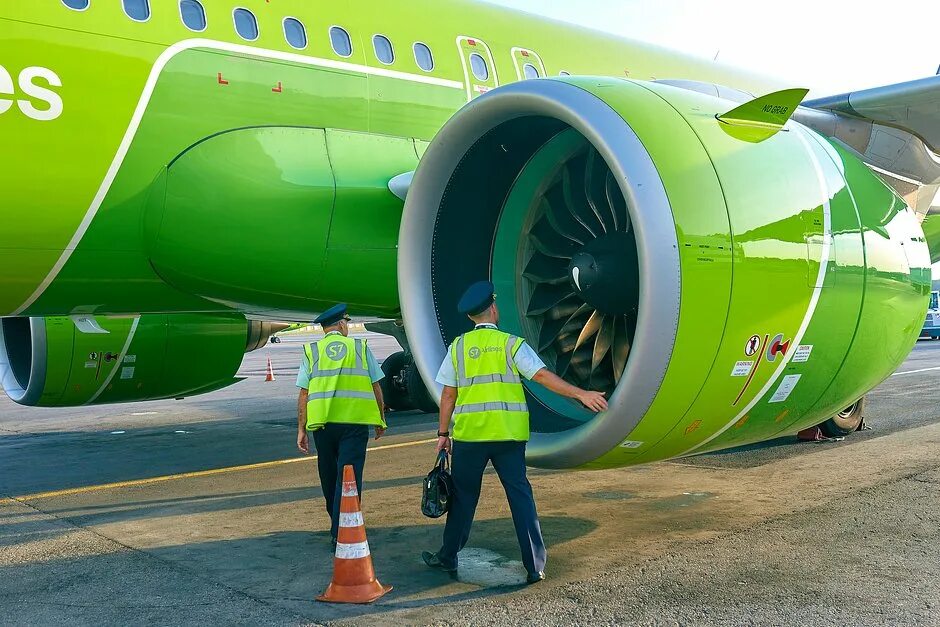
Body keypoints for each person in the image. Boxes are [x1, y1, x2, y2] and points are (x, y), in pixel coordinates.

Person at [422, 281, 608, 584]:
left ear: (471, 317)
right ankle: (534, 565)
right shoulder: (511, 344)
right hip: (508, 438)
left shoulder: (457, 348)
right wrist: (580, 394)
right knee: (520, 497)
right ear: (493, 308)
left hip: (471, 438)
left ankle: (447, 557)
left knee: (463, 500)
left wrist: (443, 434)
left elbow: (448, 396)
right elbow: (542, 376)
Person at [296, 303, 387, 547]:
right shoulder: (359, 347)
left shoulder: (311, 351)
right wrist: (380, 418)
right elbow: (376, 385)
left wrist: (301, 429)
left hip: (322, 426)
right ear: (342, 324)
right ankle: (341, 528)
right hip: (353, 424)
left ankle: (336, 522)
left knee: (329, 476)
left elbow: (304, 393)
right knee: (349, 478)